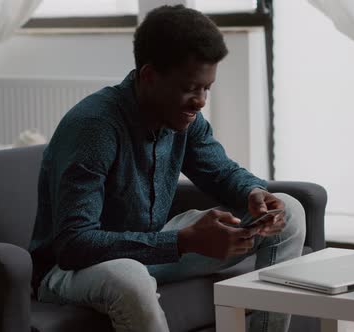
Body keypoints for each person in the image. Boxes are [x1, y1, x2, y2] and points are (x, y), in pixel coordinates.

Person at [29, 5, 306, 332]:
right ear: (149, 76)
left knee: (289, 211)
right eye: (191, 88)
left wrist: (254, 193)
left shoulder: (185, 119)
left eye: (207, 88)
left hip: (150, 248)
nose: (201, 101)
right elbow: (74, 244)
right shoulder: (94, 128)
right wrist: (183, 242)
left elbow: (220, 172)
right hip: (72, 269)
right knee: (130, 277)